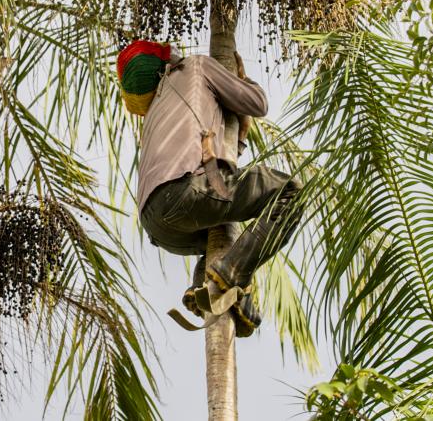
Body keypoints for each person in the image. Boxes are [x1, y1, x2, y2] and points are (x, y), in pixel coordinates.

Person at [117, 40, 303, 337]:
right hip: (184, 191)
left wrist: (239, 136)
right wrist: (243, 80)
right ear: (166, 64)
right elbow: (258, 103)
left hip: (158, 223)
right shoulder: (193, 66)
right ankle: (232, 276)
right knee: (290, 192)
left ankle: (204, 286)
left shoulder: (155, 114)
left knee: (224, 236)